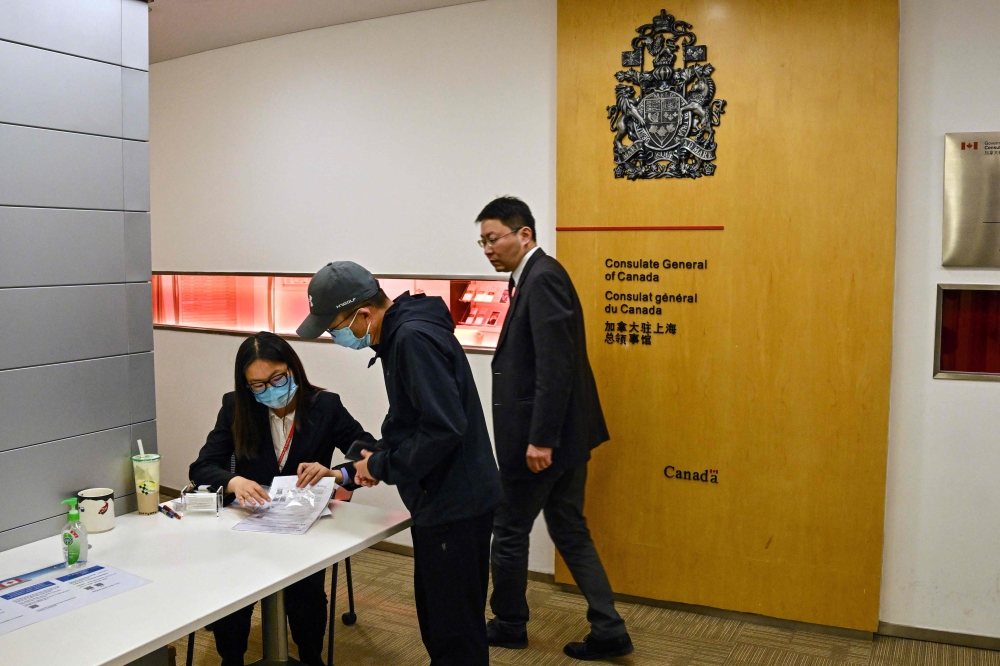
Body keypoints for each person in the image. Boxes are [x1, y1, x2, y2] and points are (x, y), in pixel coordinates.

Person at [296, 261, 503, 666]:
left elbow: (444, 428)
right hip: (447, 501)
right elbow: (408, 421)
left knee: (453, 632)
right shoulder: (400, 336)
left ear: (363, 313)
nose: (335, 337)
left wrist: (383, 467)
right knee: (444, 622)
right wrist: (355, 468)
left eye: (334, 326)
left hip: (453, 504)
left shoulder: (411, 339)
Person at [476, 197, 633, 660]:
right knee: (569, 528)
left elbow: (556, 366)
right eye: (482, 241)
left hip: (541, 443)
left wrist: (540, 438)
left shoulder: (542, 278)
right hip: (562, 440)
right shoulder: (530, 278)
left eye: (494, 238)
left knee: (507, 530)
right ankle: (609, 627)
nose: (487, 248)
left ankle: (508, 623)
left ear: (524, 234)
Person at [189, 331, 372, 666]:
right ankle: (232, 658)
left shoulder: (325, 406)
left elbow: (369, 453)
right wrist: (234, 481)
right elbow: (202, 467)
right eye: (257, 385)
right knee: (233, 586)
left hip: (304, 521)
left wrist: (336, 474)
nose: (269, 390)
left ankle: (309, 656)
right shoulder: (236, 407)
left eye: (276, 378)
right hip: (250, 520)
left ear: (293, 370)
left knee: (306, 593)